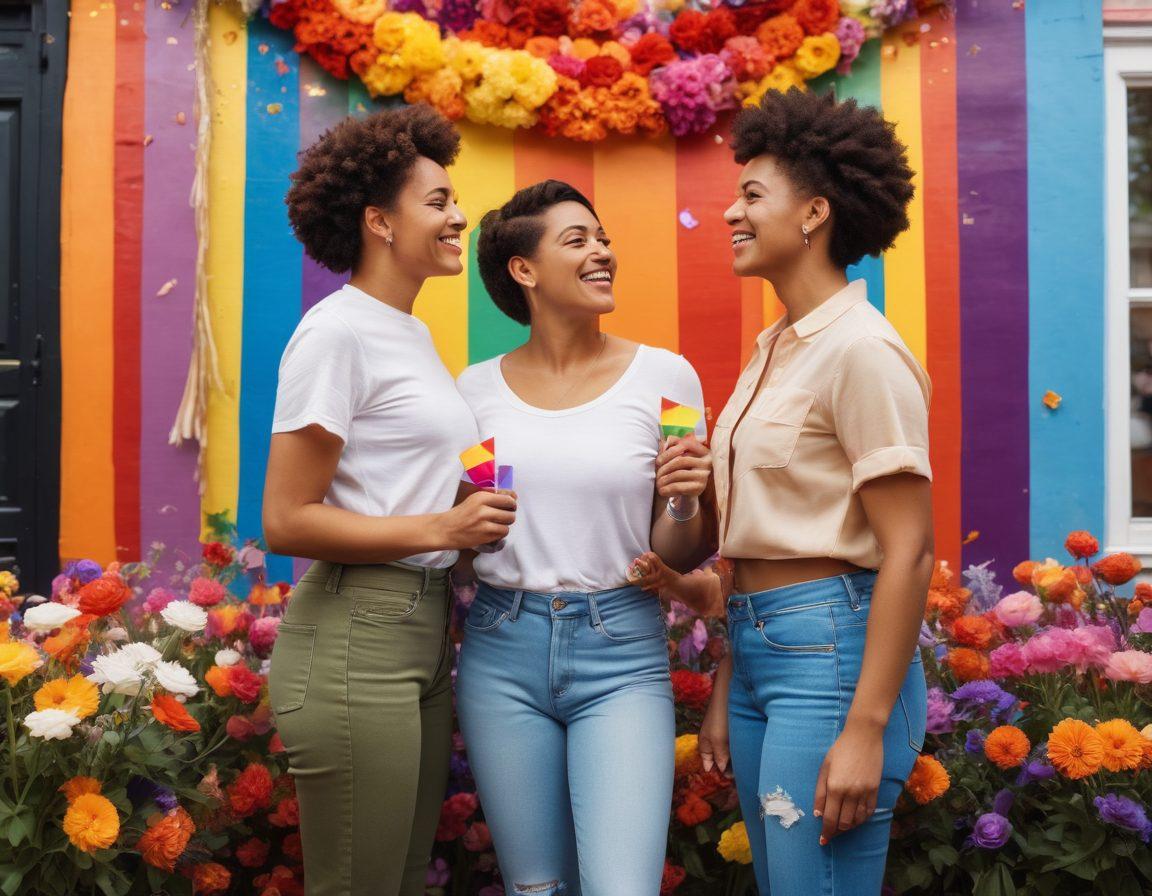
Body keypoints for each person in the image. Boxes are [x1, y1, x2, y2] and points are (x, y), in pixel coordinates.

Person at [660, 88, 933, 896]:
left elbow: (910, 551)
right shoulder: (773, 350)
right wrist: (730, 683)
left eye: (751, 195)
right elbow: (751, 544)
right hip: (761, 650)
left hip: (832, 657)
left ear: (814, 213)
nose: (730, 214)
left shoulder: (862, 351)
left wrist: (866, 730)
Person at [263, 106, 517, 896]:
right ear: (379, 220)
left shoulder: (408, 335)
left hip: (420, 629)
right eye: (437, 201)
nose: (460, 216)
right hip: (354, 637)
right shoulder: (336, 332)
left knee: (404, 880)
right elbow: (285, 518)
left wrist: (474, 515)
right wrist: (442, 524)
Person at [454, 180, 715, 896]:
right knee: (534, 889)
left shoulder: (665, 379)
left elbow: (678, 546)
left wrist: (687, 502)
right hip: (501, 650)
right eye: (578, 241)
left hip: (621, 651)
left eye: (602, 238)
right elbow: (472, 534)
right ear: (523, 270)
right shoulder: (474, 394)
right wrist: (464, 523)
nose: (603, 252)